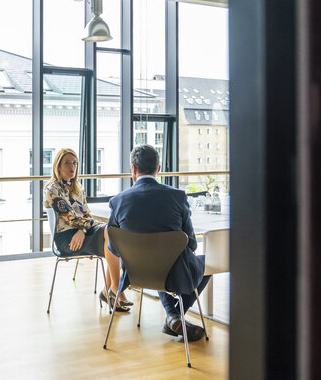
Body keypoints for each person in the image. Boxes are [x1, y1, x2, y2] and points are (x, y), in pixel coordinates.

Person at [107, 144, 211, 341]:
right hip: (171, 271)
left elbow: (114, 248)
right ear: (159, 168)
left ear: (134, 169)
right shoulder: (177, 196)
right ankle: (174, 315)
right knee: (208, 262)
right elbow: (191, 244)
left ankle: (173, 317)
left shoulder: (118, 201)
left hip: (135, 273)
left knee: (155, 260)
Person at [44, 148, 131, 312]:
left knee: (114, 237)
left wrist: (83, 230)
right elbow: (71, 218)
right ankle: (115, 291)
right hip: (66, 239)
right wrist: (84, 228)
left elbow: (86, 214)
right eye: (67, 163)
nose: (72, 167)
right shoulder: (52, 189)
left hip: (82, 233)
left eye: (75, 163)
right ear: (58, 166)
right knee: (110, 233)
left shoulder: (77, 188)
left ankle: (111, 291)